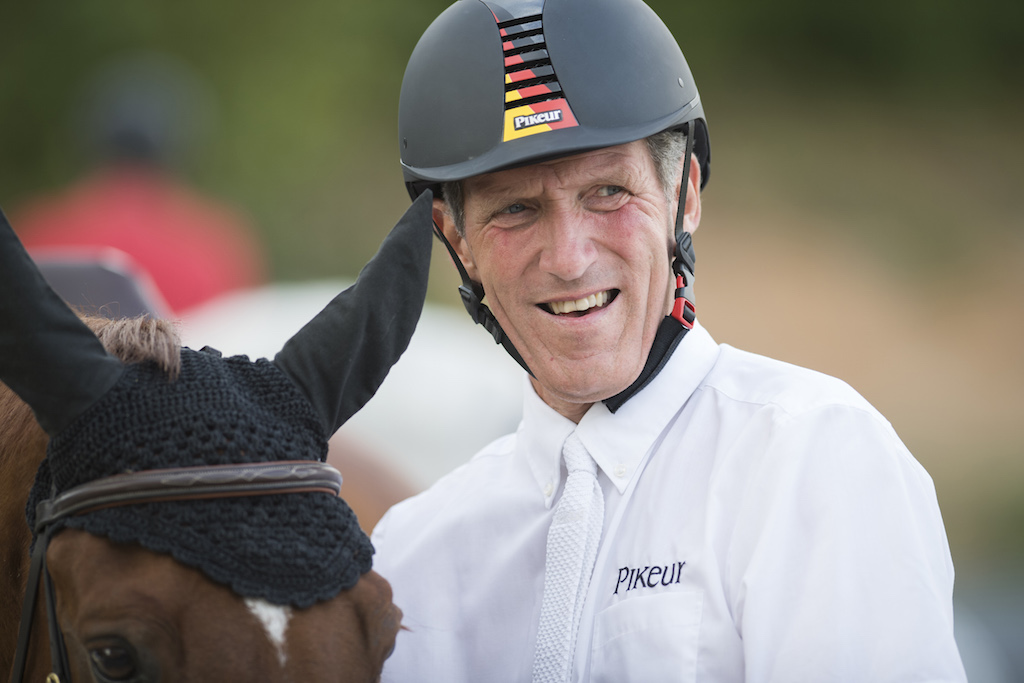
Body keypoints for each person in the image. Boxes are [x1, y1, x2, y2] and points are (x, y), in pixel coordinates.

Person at [371, 0, 967, 680]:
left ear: (683, 196)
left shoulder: (814, 461)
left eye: (607, 192)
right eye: (515, 208)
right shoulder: (408, 558)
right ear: (458, 242)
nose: (568, 258)